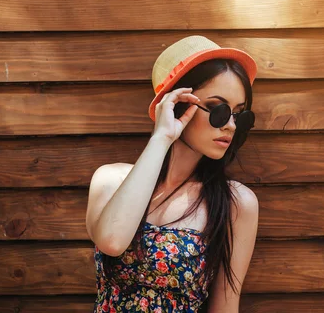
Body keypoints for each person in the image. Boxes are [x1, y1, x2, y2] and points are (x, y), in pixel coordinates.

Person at [86, 35, 259, 312]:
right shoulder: (110, 180)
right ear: (176, 104)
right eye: (217, 109)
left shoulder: (236, 203)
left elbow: (225, 306)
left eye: (239, 115)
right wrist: (161, 138)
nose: (230, 125)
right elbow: (112, 241)